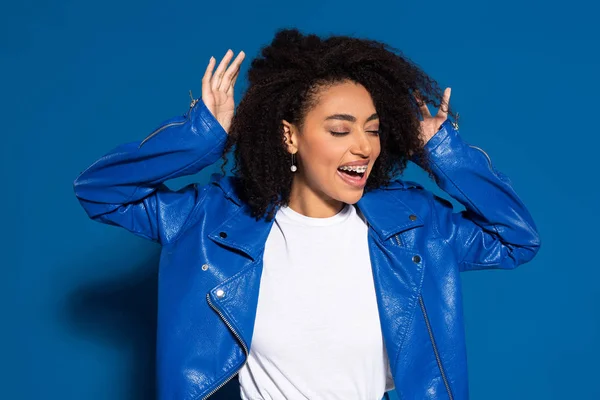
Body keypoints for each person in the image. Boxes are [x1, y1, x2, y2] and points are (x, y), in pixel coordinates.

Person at [73, 29, 541, 400]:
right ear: (290, 136)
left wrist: (443, 152)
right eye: (340, 129)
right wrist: (202, 136)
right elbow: (102, 193)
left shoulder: (414, 226)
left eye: (374, 130)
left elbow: (515, 238)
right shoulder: (210, 222)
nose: (363, 146)